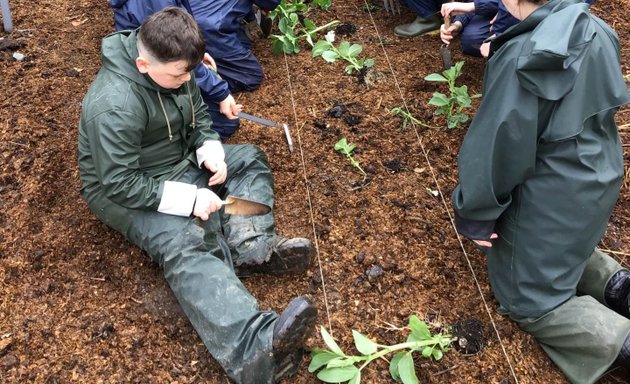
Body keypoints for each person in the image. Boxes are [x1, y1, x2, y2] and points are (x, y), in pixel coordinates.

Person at [78, 8, 317, 383]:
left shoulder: (175, 65)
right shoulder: (113, 105)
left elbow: (197, 115)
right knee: (187, 239)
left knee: (248, 158)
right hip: (123, 188)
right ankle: (256, 348)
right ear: (142, 64)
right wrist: (189, 199)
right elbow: (117, 181)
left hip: (172, 157)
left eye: (190, 71)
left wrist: (208, 147)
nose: (188, 79)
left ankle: (249, 244)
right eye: (181, 74)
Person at [451, 0, 630, 382]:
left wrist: (476, 212)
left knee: (529, 298)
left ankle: (618, 339)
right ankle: (619, 287)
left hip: (555, 194)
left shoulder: (527, 54)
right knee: (570, 247)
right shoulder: (593, 25)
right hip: (597, 178)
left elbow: (499, 148)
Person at [109, 0, 279, 140]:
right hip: (151, 75)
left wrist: (197, 54)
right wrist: (220, 92)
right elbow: (173, 47)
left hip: (160, 62)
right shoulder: (154, 3)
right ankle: (174, 146)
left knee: (221, 115)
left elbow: (177, 34)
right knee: (223, 122)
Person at [439, 0, 518, 57]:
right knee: (471, 40)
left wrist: (498, 30)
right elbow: (470, 4)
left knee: (481, 41)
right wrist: (458, 24)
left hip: (520, 12)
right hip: (491, 7)